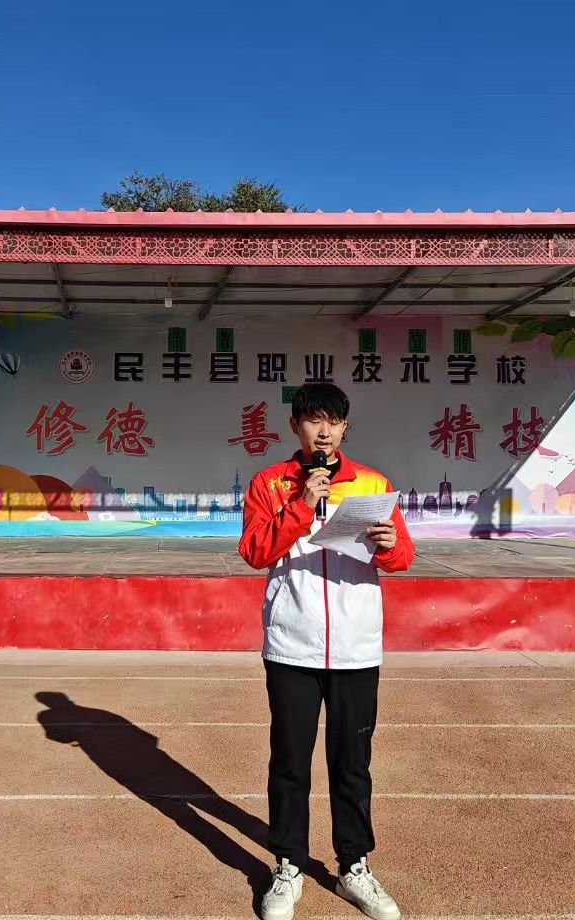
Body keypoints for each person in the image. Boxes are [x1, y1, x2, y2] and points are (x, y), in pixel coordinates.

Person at [237, 382, 414, 920]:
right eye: (314, 421)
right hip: (292, 643)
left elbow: (403, 555)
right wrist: (301, 504)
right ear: (296, 426)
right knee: (290, 762)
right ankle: (288, 865)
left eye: (333, 422)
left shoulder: (373, 482)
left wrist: (389, 547)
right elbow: (253, 550)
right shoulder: (271, 483)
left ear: (345, 428)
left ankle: (353, 866)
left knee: (352, 762)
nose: (324, 432)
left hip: (356, 645)